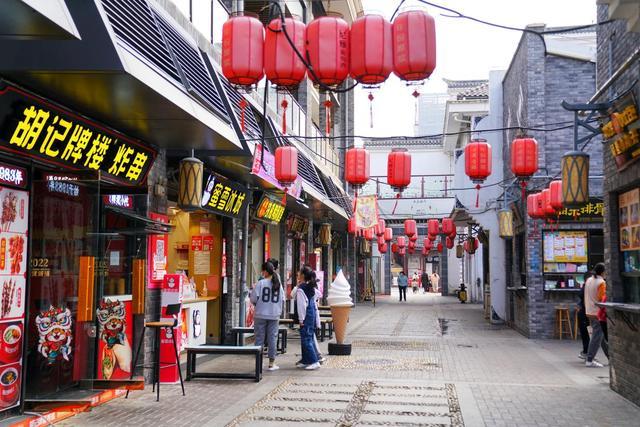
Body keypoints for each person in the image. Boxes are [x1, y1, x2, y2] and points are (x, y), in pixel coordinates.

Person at [250, 261, 283, 371]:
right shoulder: (278, 284)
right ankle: (271, 363)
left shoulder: (261, 283)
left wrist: (258, 305)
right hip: (274, 314)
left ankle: (258, 363)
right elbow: (282, 299)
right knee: (272, 338)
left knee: (259, 338)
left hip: (260, 314)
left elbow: (253, 299)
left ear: (265, 271)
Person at [296, 267, 321, 370]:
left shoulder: (301, 289)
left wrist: (301, 320)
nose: (297, 274)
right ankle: (306, 360)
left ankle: (314, 361)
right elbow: (318, 296)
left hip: (306, 315)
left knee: (306, 339)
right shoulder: (310, 287)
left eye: (299, 272)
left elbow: (301, 306)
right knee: (308, 337)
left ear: (302, 275)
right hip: (312, 314)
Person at [584, 263, 609, 367]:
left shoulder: (589, 280)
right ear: (603, 272)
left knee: (600, 336)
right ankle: (589, 360)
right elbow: (602, 299)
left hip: (589, 311)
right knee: (596, 337)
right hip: (597, 313)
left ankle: (610, 357)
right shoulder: (601, 283)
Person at [576, 280, 590, 360]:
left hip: (585, 312)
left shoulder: (586, 287)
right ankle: (588, 354)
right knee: (589, 335)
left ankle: (586, 352)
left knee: (586, 334)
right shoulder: (586, 287)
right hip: (586, 313)